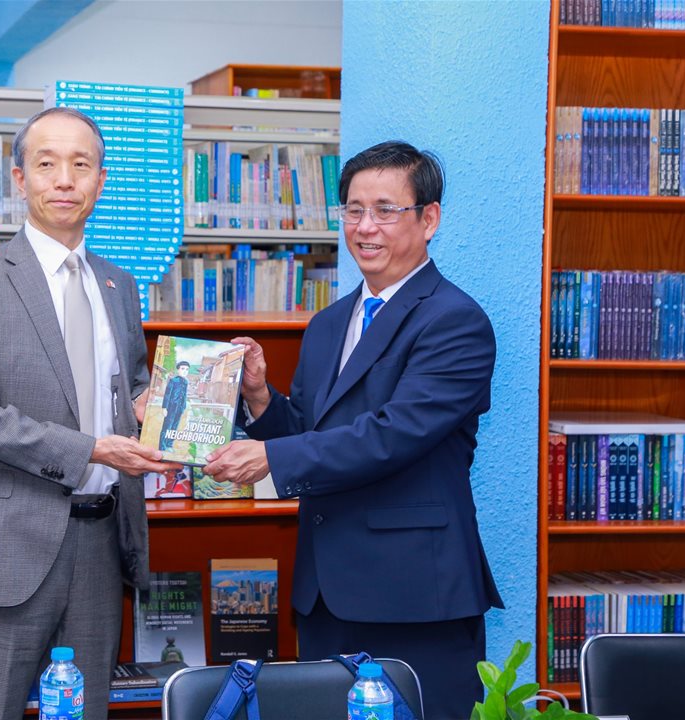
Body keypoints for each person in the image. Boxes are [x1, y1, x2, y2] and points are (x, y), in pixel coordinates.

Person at [203, 140, 504, 720]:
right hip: (325, 594)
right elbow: (309, 429)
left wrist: (272, 459)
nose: (366, 227)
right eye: (354, 210)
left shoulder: (455, 320)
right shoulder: (328, 322)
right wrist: (260, 396)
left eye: (386, 210)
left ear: (429, 219)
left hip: (414, 594)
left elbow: (392, 435)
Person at [0, 107, 178, 720]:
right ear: (19, 178)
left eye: (81, 164)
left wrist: (158, 408)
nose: (64, 179)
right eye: (46, 164)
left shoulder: (119, 286)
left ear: (101, 180)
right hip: (3, 548)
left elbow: (129, 387)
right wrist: (91, 449)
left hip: (100, 543)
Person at [158, 360, 190, 452]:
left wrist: (183, 406)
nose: (184, 371)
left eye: (186, 369)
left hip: (180, 408)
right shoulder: (173, 381)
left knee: (174, 427)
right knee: (167, 426)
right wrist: (164, 407)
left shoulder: (185, 382)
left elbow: (184, 395)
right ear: (178, 370)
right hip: (171, 407)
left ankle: (169, 444)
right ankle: (162, 446)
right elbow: (167, 394)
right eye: (182, 369)